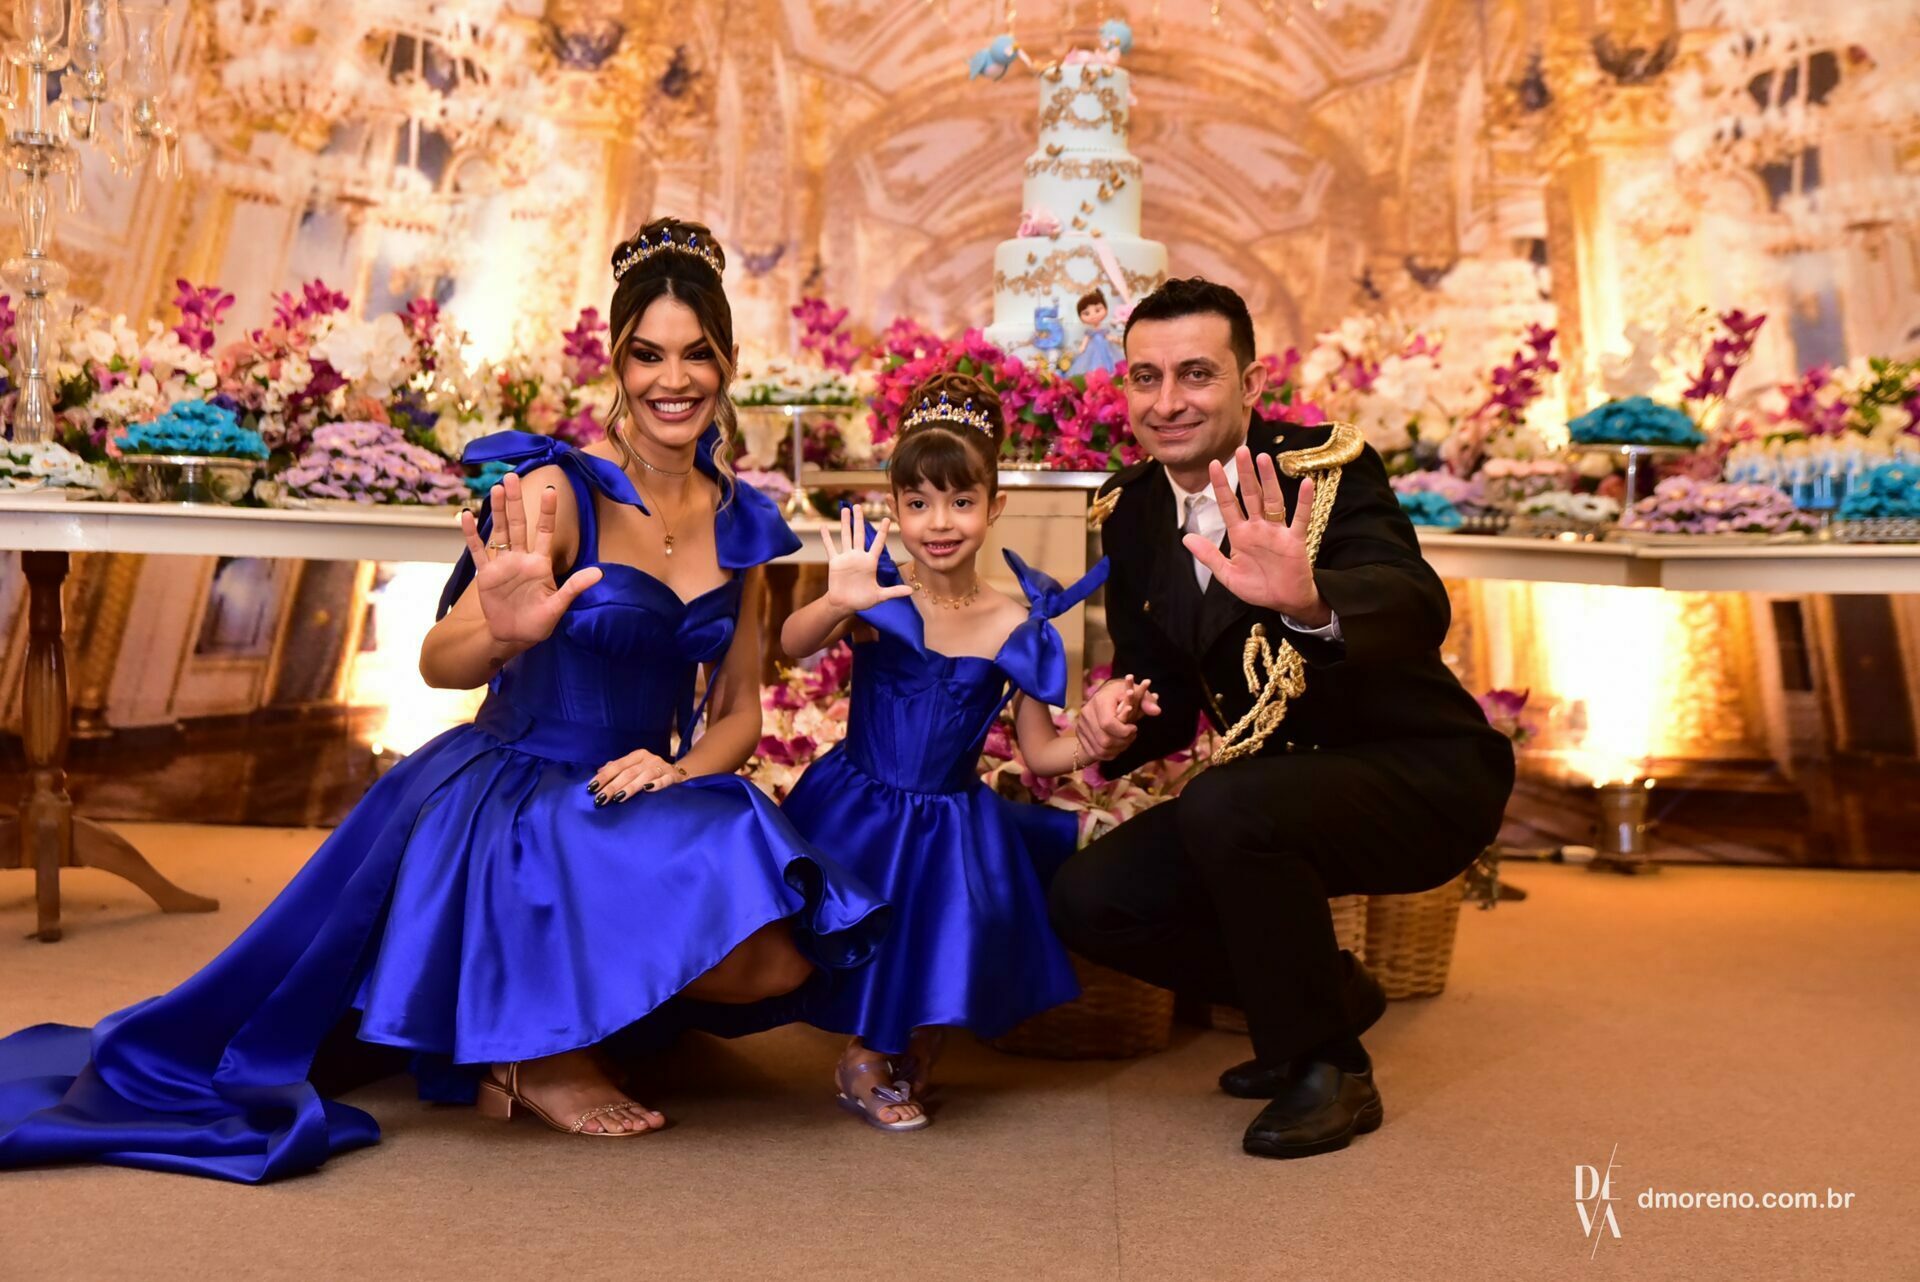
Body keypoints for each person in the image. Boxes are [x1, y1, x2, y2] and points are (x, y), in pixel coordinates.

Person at [0, 218, 889, 1182]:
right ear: (615, 363)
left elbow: (739, 716)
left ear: (725, 362)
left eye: (694, 355)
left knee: (782, 953)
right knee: (687, 891)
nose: (671, 380)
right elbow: (437, 661)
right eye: (647, 355)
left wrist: (677, 769)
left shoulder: (742, 519)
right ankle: (532, 1051)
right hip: (516, 784)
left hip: (643, 782)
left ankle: (568, 1000)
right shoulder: (556, 488)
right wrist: (503, 628)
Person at [1047, 276, 1514, 1159]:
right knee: (1091, 901)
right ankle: (1321, 996)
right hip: (1269, 795)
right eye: (1145, 378)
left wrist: (1309, 599)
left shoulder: (1322, 473)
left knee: (1233, 805)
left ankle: (1327, 1068)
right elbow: (1168, 690)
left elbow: (1416, 606)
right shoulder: (1134, 509)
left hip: (1419, 774)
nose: (1168, 401)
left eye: (1196, 374)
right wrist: (1116, 718)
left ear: (1252, 385)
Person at [778, 372, 1107, 1131]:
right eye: (919, 502)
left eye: (961, 501)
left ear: (995, 506)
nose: (940, 521)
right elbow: (794, 652)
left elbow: (1038, 753)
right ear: (895, 508)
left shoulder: (1020, 626)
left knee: (945, 918)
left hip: (952, 813)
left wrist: (1086, 739)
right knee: (863, 916)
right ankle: (866, 1055)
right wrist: (835, 601)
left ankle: (911, 1043)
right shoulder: (878, 596)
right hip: (859, 798)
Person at [1065, 289, 1122, 379]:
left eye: (1097, 310)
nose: (1093, 315)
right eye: (1086, 313)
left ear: (1105, 309)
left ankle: (1110, 373)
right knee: (1092, 363)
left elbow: (1108, 336)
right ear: (1081, 317)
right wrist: (1082, 347)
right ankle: (1096, 376)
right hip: (1092, 350)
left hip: (1106, 348)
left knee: (1109, 360)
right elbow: (1086, 340)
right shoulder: (1089, 332)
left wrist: (1114, 339)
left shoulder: (1104, 329)